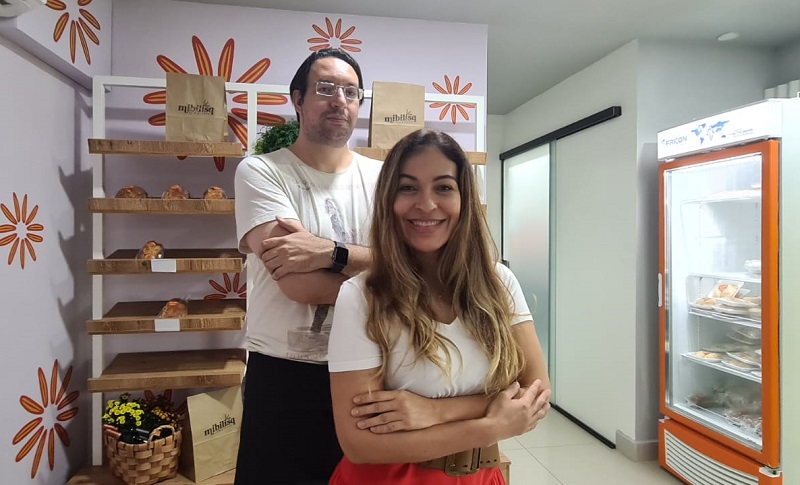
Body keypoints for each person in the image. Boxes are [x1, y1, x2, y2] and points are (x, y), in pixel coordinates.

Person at [327, 129, 552, 485]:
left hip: (482, 476)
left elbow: (535, 392)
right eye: (408, 188)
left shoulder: (499, 282)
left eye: (444, 187)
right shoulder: (361, 296)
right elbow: (360, 444)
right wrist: (491, 425)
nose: (427, 204)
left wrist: (434, 410)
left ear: (464, 198)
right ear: (388, 199)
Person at [233, 48, 383, 485]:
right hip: (285, 374)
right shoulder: (262, 172)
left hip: (369, 365)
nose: (340, 100)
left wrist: (328, 253)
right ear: (297, 100)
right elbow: (299, 286)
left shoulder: (384, 178)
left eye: (351, 92)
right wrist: (388, 276)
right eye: (326, 88)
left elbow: (417, 264)